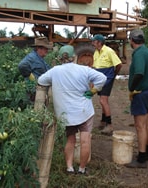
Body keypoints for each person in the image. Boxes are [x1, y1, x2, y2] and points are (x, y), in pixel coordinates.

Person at [38, 45, 106, 174]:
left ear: (60, 58)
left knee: (70, 139)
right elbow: (102, 78)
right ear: (74, 57)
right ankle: (82, 169)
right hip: (84, 111)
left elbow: (41, 80)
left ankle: (69, 167)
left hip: (66, 113)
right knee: (85, 140)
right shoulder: (84, 69)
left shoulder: (55, 71)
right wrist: (93, 91)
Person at [125, 29, 148, 168]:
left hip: (141, 93)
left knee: (140, 126)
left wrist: (132, 89)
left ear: (132, 40)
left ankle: (141, 159)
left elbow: (139, 73)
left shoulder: (138, 54)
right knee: (147, 124)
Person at [91, 34, 122, 135]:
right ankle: (103, 121)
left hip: (107, 78)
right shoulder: (96, 52)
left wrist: (113, 75)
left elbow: (119, 64)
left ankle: (109, 125)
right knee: (102, 100)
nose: (92, 43)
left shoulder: (109, 51)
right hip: (99, 79)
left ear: (99, 42)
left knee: (103, 100)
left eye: (94, 41)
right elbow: (95, 67)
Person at [18, 37, 53, 104]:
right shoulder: (32, 57)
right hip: (34, 92)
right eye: (46, 48)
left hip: (41, 90)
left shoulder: (40, 59)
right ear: (39, 48)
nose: (47, 50)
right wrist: (31, 77)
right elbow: (21, 66)